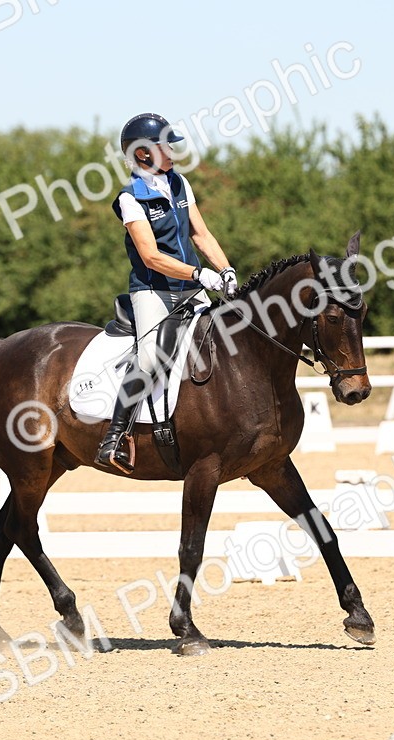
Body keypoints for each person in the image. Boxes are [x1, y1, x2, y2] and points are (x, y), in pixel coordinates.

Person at [94, 112, 238, 474]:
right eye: (165, 146)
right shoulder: (130, 198)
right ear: (143, 154)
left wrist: (226, 270)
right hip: (153, 291)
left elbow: (201, 235)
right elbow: (151, 256)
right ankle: (115, 436)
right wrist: (198, 272)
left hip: (194, 287)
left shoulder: (179, 185)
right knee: (149, 360)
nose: (173, 151)